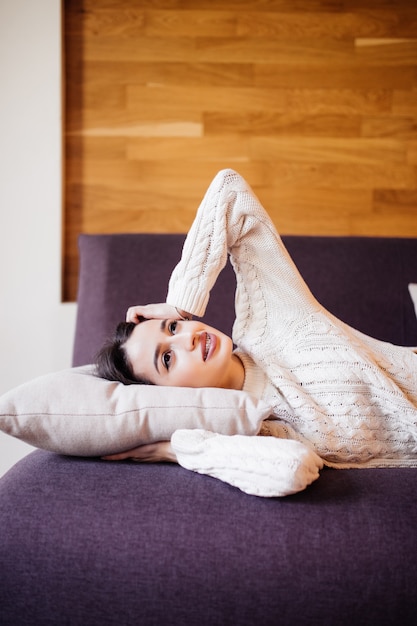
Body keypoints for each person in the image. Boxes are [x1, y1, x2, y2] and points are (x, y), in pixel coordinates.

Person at [96, 169, 417, 497]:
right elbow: (290, 471)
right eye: (167, 357)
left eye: (174, 328)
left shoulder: (268, 322)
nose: (187, 337)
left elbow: (229, 190)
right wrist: (174, 450)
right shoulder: (249, 428)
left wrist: (178, 303)